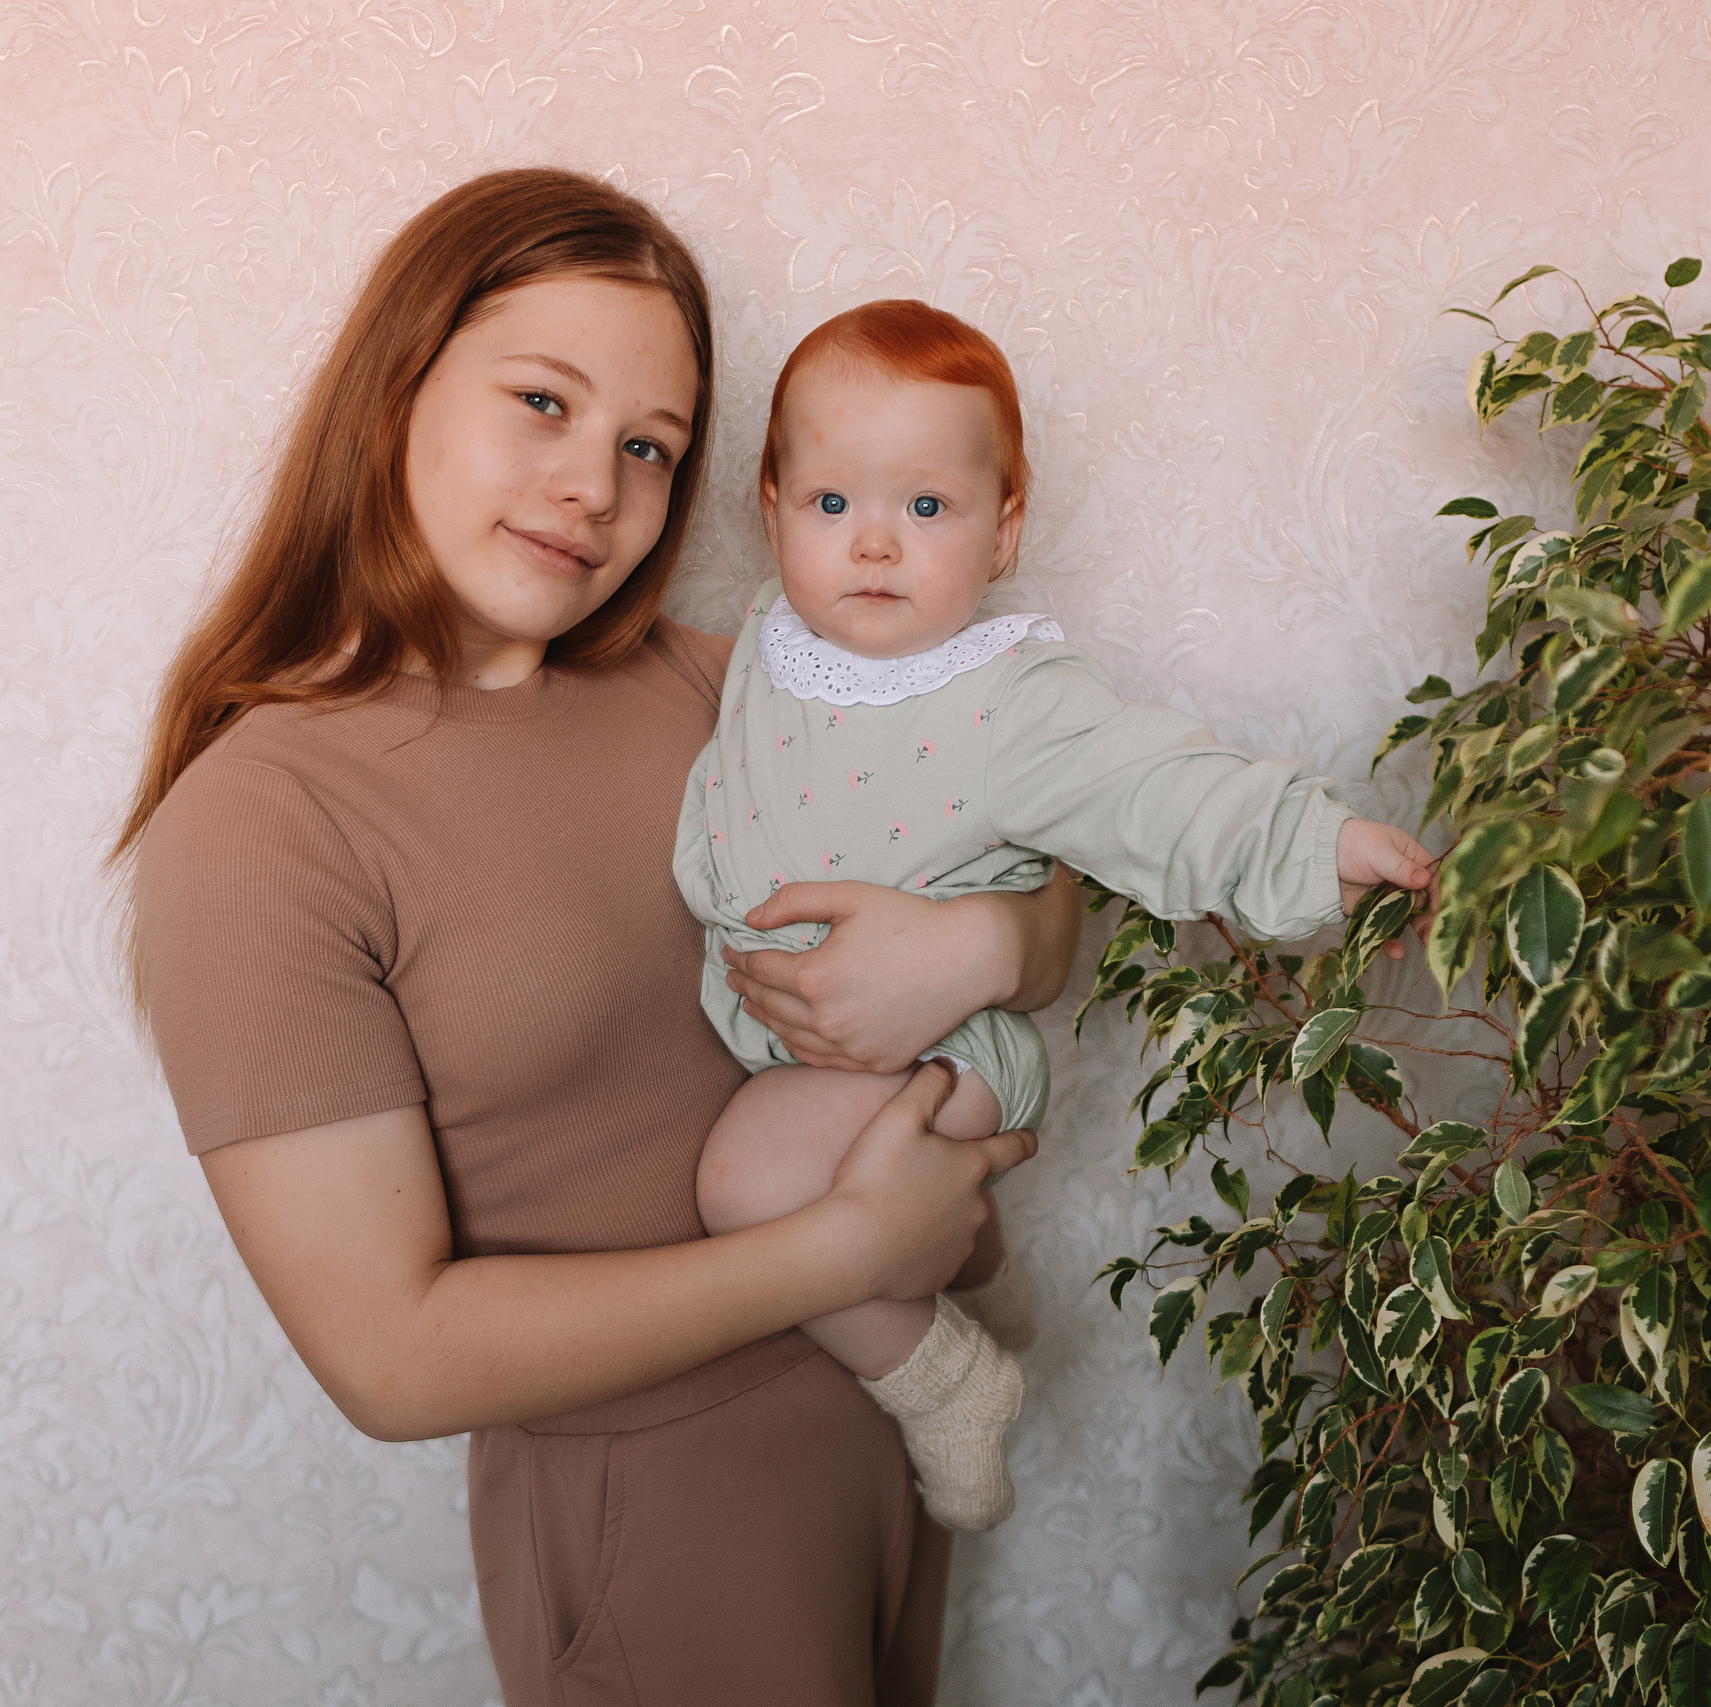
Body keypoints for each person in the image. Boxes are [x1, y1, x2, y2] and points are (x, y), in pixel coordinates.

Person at [110, 169, 1085, 1707]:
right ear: (396, 390)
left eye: (649, 446)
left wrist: (981, 950)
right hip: (660, 1518)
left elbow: (1043, 878)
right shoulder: (264, 821)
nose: (594, 485)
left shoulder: (720, 687)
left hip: (892, 1430)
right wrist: (848, 1246)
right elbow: (391, 1353)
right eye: (543, 403)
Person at [677, 301, 1437, 1532]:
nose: (873, 544)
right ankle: (975, 1260)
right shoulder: (767, 641)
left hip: (941, 1050)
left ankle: (945, 1377)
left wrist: (1319, 844)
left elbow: (1156, 786)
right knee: (780, 1151)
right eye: (831, 505)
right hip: (804, 1044)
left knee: (745, 1178)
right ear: (769, 510)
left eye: (926, 508)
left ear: (1004, 524)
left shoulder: (1009, 699)